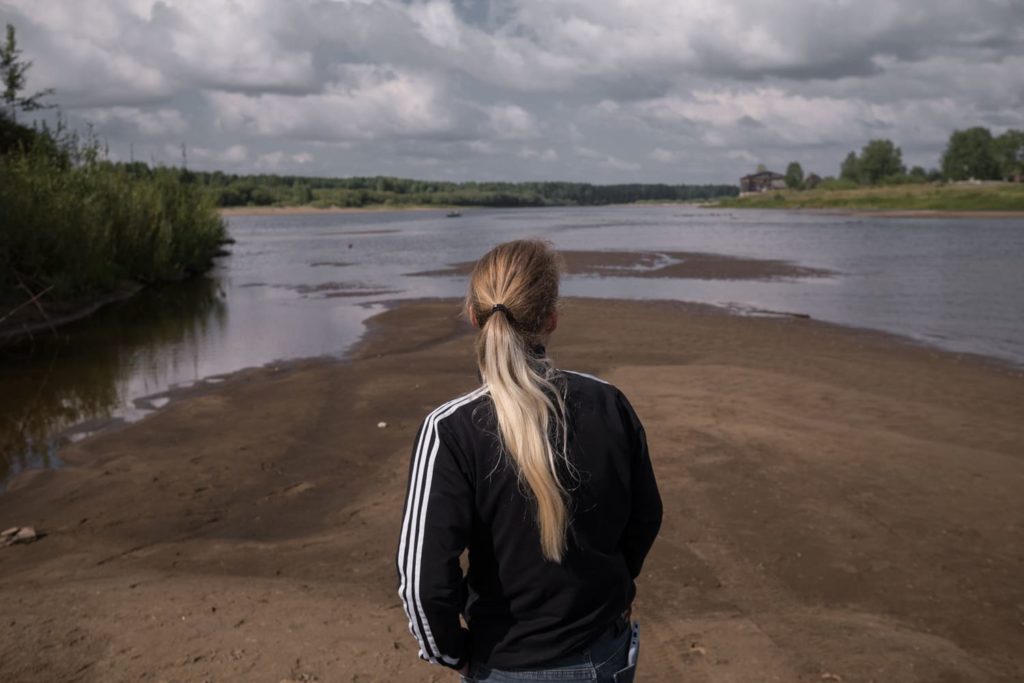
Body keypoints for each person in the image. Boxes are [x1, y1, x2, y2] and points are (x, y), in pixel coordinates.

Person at [396, 240, 662, 682]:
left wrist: (451, 655)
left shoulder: (450, 428)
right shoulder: (608, 402)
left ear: (473, 316)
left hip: (505, 664)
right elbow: (644, 519)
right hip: (606, 654)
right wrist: (603, 589)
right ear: (551, 317)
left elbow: (421, 579)